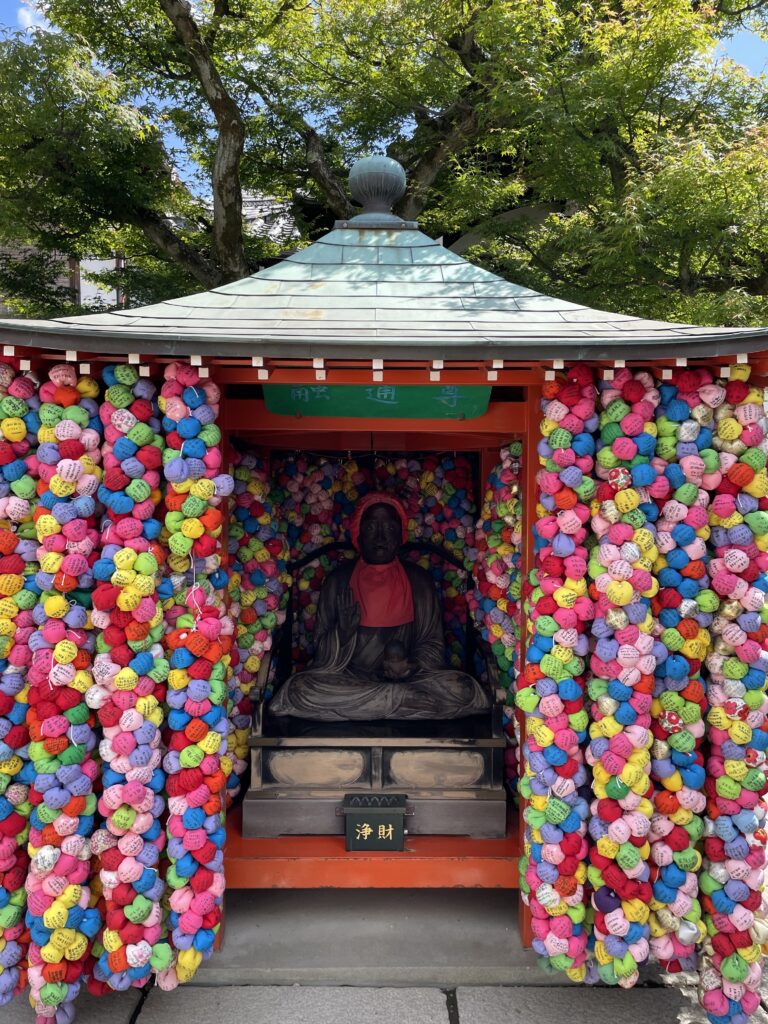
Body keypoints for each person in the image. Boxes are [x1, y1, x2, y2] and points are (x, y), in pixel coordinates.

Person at [269, 493, 490, 721]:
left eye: (389, 528)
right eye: (372, 528)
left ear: (400, 535)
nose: (381, 537)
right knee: (298, 689)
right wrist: (341, 635)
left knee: (465, 688)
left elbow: (432, 647)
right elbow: (322, 658)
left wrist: (410, 666)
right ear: (358, 533)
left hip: (407, 682)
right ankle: (399, 702)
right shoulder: (338, 581)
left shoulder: (419, 581)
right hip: (351, 680)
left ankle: (383, 702)